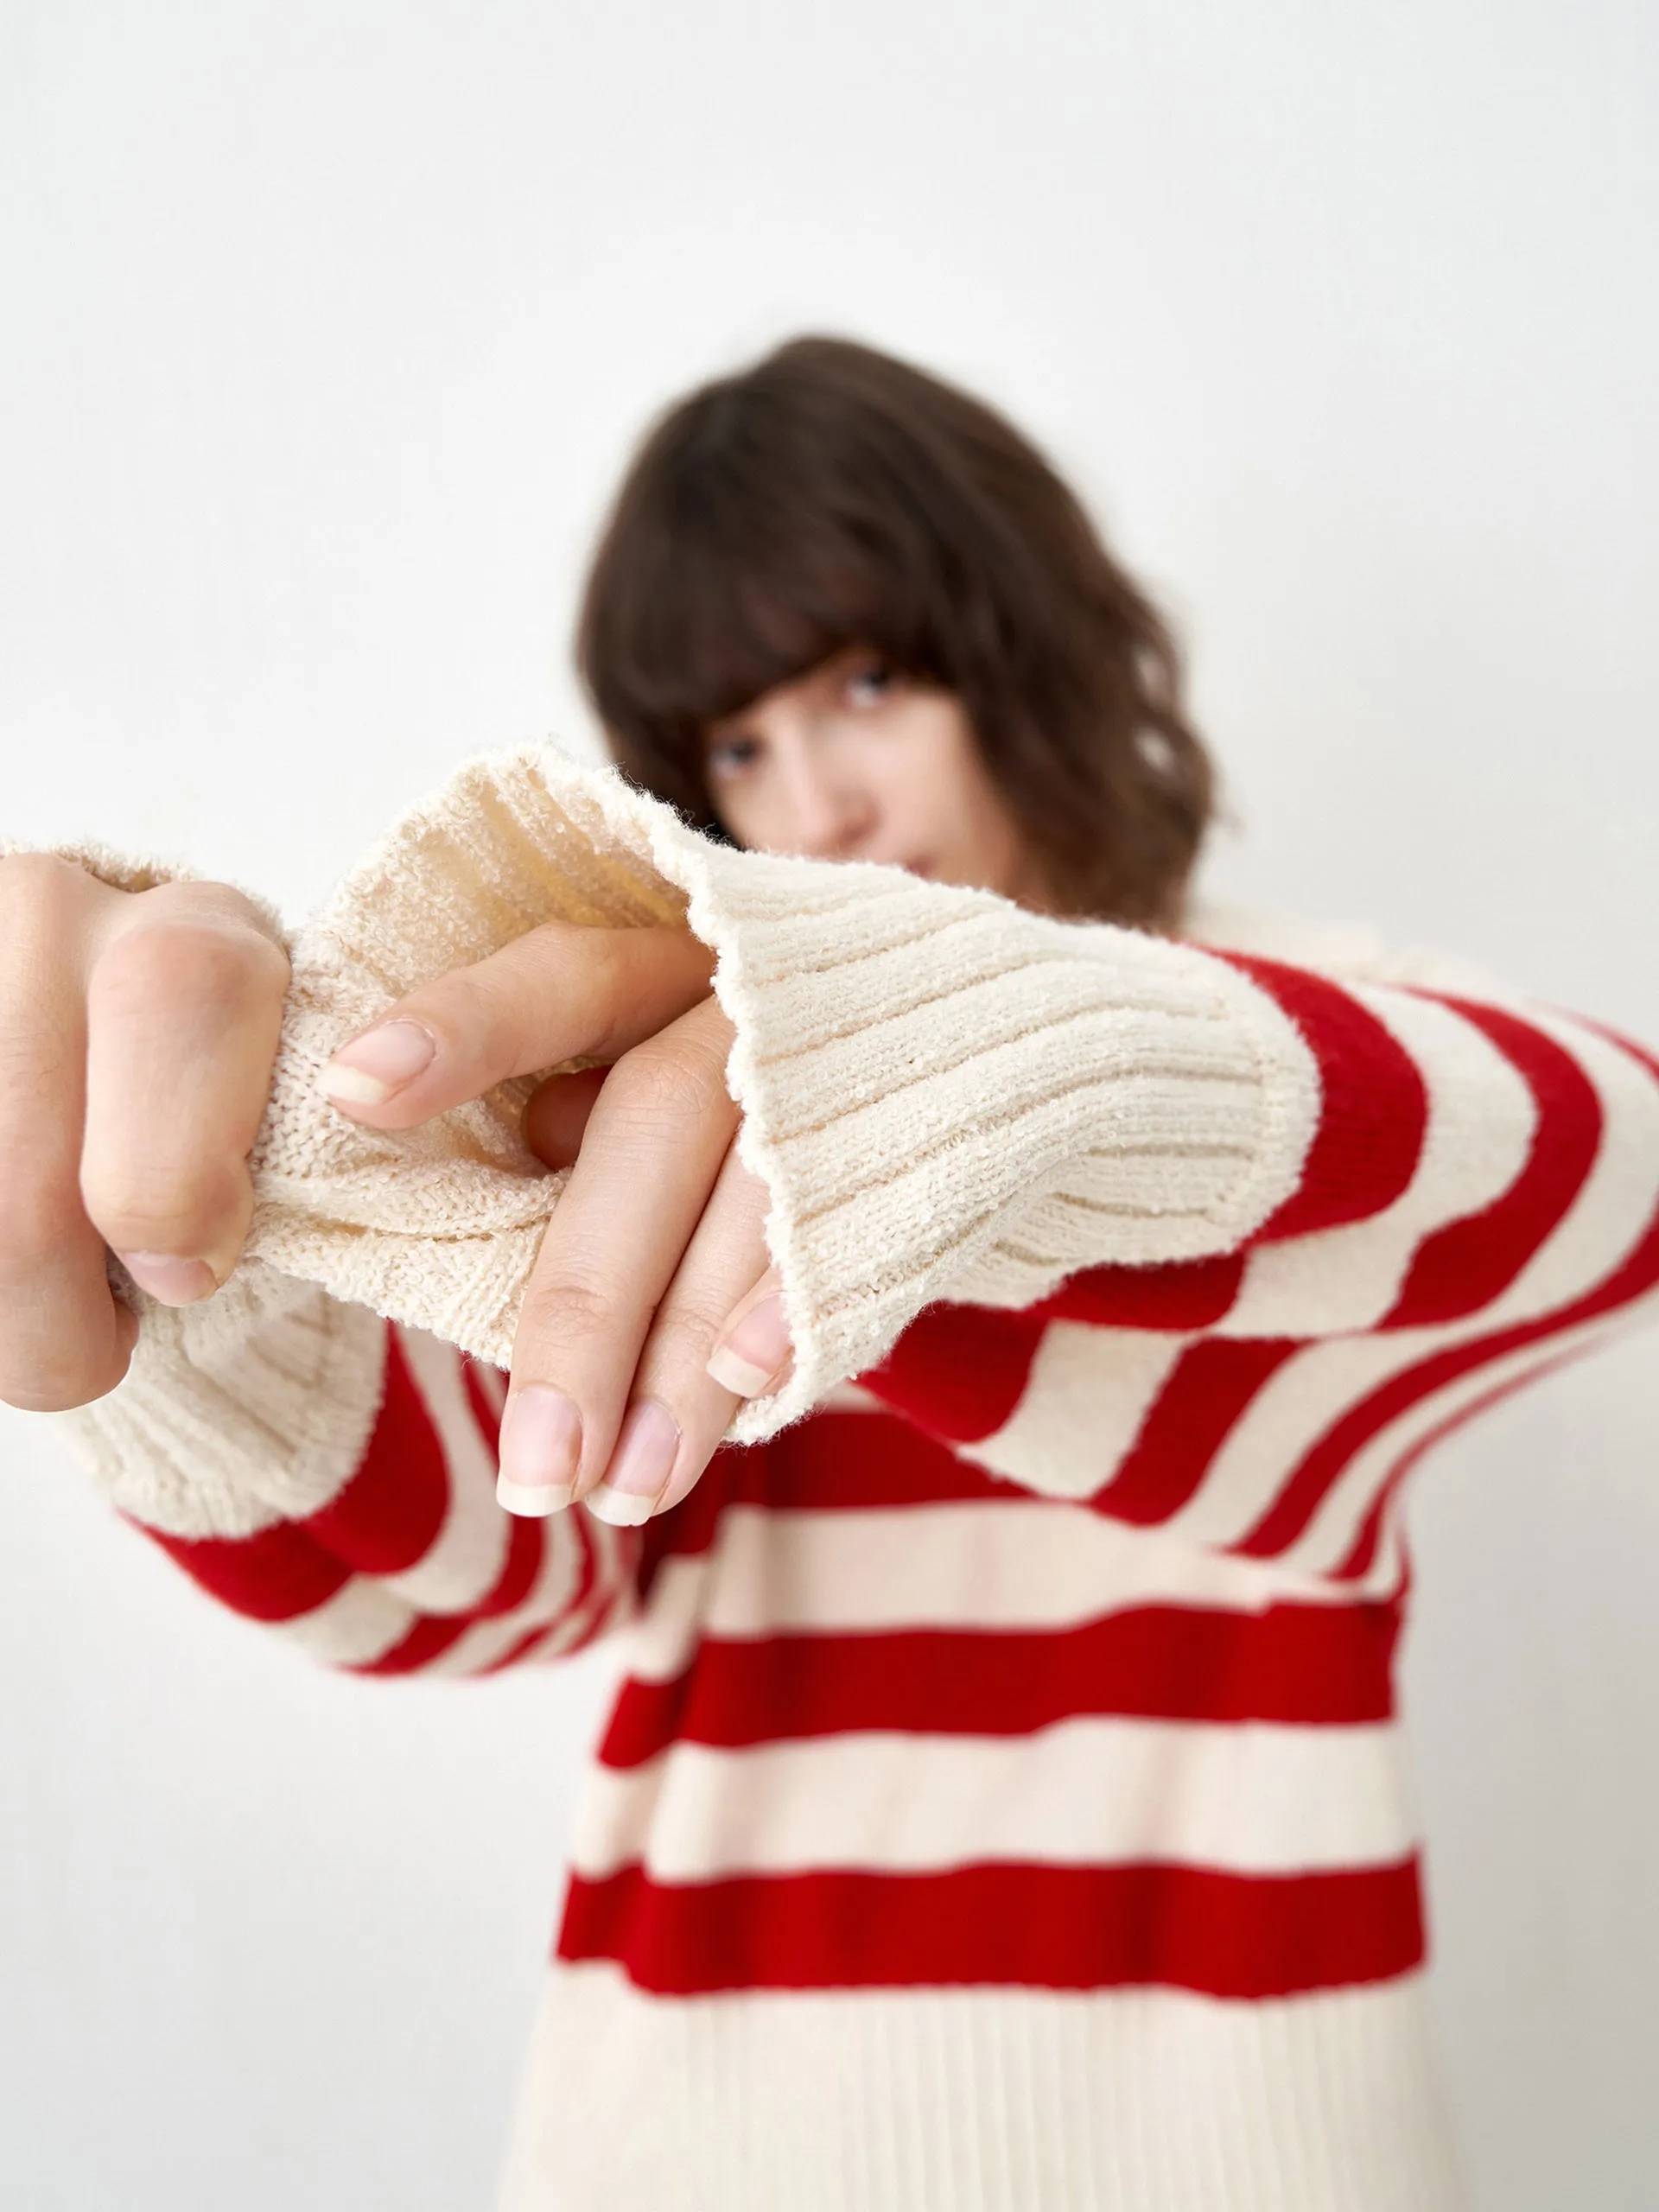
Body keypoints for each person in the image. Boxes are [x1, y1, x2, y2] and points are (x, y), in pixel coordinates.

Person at [5, 334, 1657, 2212]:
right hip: (696, 2144)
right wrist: (199, 1272)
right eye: (736, 745)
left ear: (1019, 647)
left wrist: (995, 1072)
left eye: (869, 680)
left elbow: (1611, 1184)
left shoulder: (1311, 1033)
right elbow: (476, 1584)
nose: (822, 803)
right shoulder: (670, 1148)